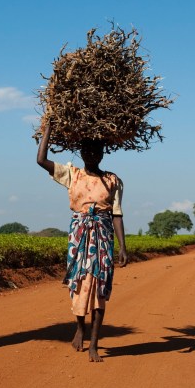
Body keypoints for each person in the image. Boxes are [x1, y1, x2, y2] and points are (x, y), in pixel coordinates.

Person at [37, 122, 128, 363]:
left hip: (103, 238)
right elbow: (41, 160)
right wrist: (48, 130)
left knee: (100, 287)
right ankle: (80, 327)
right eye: (87, 151)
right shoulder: (72, 174)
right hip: (78, 238)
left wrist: (123, 247)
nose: (91, 155)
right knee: (78, 284)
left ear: (102, 154)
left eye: (96, 152)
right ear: (81, 153)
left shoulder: (112, 181)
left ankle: (94, 345)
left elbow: (117, 214)